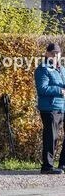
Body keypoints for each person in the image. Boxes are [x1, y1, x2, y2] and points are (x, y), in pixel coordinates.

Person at [34, 43, 65, 174]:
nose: (55, 55)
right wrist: (59, 90)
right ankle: (47, 167)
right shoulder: (43, 69)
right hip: (50, 108)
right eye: (52, 53)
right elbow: (42, 89)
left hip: (62, 107)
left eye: (57, 53)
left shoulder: (62, 69)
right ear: (46, 53)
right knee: (51, 137)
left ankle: (62, 164)